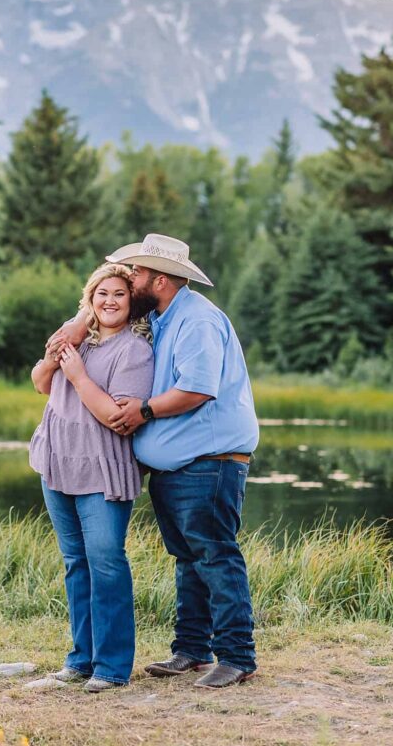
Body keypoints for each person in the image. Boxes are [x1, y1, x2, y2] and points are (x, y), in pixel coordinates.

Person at [48, 234, 259, 689]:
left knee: (214, 553)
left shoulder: (198, 320)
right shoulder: (163, 317)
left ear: (159, 280)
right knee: (188, 557)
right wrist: (84, 315)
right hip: (177, 465)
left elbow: (198, 389)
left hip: (210, 459)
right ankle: (192, 649)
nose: (131, 280)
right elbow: (105, 305)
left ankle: (237, 656)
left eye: (137, 275)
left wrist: (143, 411)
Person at [30, 262, 154, 693]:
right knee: (75, 563)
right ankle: (80, 660)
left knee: (105, 561)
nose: (110, 301)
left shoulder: (135, 351)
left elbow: (115, 417)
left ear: (131, 301)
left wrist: (78, 375)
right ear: (90, 300)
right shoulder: (78, 340)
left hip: (103, 467)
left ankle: (112, 667)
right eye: (102, 293)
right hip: (57, 461)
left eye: (119, 293)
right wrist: (54, 356)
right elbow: (40, 383)